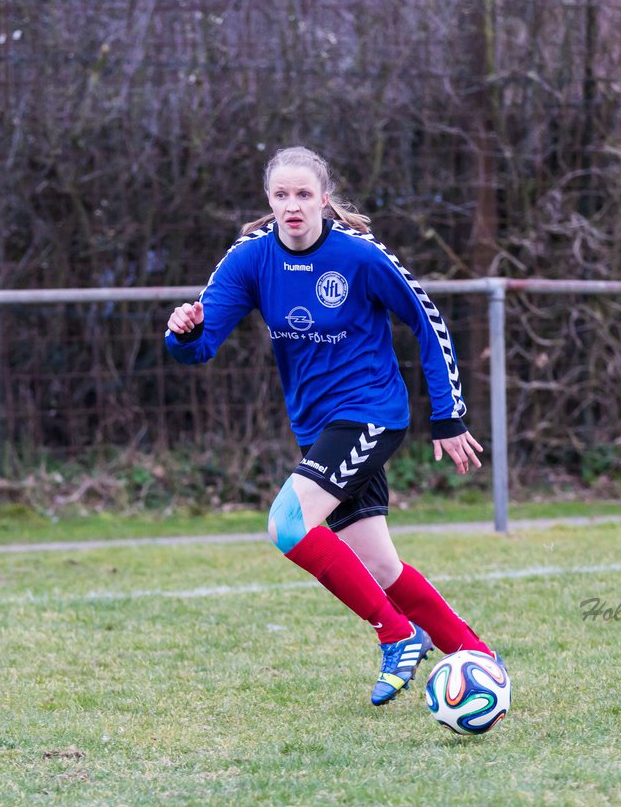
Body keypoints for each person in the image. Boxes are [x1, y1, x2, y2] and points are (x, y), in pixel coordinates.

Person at [165, 146, 501, 706]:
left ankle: (397, 636)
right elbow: (201, 346)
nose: (292, 206)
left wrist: (448, 416)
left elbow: (427, 319)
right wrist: (182, 332)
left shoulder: (359, 256)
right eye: (281, 196)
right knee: (379, 564)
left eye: (303, 195)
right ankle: (479, 659)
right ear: (269, 201)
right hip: (318, 428)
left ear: (324, 198)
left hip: (372, 412)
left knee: (287, 523)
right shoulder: (250, 260)